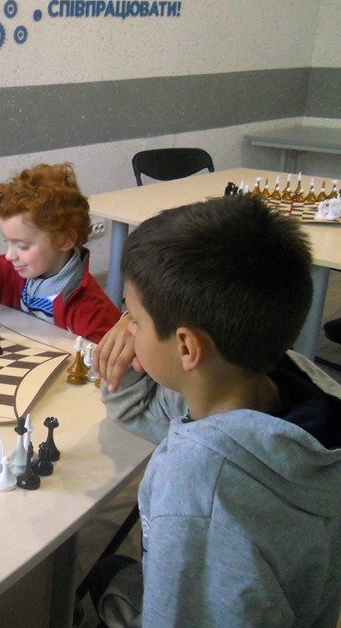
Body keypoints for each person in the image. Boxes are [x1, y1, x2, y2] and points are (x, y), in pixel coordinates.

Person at [88, 194, 341, 627]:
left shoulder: (197, 487)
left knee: (100, 576)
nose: (125, 328)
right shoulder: (289, 382)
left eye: (133, 318)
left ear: (187, 346)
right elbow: (141, 412)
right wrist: (130, 357)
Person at [0, 163, 120, 343]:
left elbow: (110, 358)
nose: (10, 255)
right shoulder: (10, 271)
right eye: (7, 242)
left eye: (22, 246)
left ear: (65, 240)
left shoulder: (92, 311)